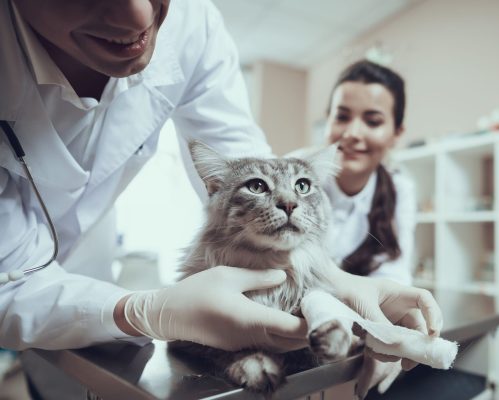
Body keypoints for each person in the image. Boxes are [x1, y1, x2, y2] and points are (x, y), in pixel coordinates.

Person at [0, 1, 444, 399]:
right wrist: (142, 310)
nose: (138, 16)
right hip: (40, 297)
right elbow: (10, 284)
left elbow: (240, 162)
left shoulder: (191, 25)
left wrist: (331, 282)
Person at [324, 60, 416, 286]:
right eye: (342, 117)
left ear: (397, 133)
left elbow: (394, 278)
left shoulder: (400, 189)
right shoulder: (293, 175)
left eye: (373, 121)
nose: (353, 133)